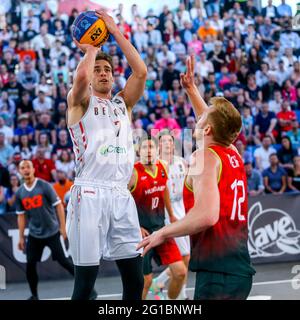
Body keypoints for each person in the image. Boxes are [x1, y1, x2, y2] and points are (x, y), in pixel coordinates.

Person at [137, 55, 256, 300]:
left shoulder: (204, 157)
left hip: (217, 273)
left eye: (200, 119)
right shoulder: (232, 153)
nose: (197, 119)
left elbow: (207, 216)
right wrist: (192, 89)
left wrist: (163, 232)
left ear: (208, 129)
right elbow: (218, 124)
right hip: (240, 269)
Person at [66, 9, 147, 300]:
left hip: (121, 196)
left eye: (108, 70)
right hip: (89, 192)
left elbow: (140, 72)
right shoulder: (78, 102)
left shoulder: (121, 104)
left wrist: (114, 31)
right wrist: (91, 49)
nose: (103, 73)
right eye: (99, 70)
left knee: (135, 281)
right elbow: (82, 76)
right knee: (85, 285)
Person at [129, 137, 186, 300]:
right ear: (139, 152)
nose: (148, 150)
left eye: (151, 147)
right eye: (145, 147)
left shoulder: (163, 166)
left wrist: (172, 214)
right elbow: (122, 201)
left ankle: (170, 301)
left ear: (156, 150)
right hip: (143, 233)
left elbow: (164, 189)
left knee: (180, 272)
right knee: (145, 281)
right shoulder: (133, 172)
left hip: (160, 229)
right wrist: (135, 226)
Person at [16, 160, 75, 300]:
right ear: (20, 172)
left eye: (28, 167)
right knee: (30, 265)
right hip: (34, 234)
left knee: (65, 262)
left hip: (52, 232)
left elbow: (59, 206)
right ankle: (34, 295)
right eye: (22, 168)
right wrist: (20, 237)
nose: (26, 170)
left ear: (33, 169)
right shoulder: (20, 193)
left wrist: (63, 227)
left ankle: (88, 289)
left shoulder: (44, 186)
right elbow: (21, 216)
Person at [149, 130, 190, 300]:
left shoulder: (181, 162)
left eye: (170, 141)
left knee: (185, 258)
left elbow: (188, 186)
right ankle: (176, 295)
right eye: (164, 141)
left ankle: (163, 285)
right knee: (184, 256)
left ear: (174, 144)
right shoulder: (156, 164)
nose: (167, 144)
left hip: (182, 210)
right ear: (159, 145)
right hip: (167, 214)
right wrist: (169, 214)